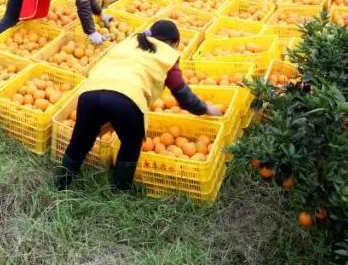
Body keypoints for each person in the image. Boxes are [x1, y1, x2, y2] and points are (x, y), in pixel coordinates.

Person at [55, 20, 223, 191]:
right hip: (127, 99)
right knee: (130, 145)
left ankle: (60, 185)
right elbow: (182, 94)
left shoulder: (129, 43)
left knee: (80, 140)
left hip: (90, 93)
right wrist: (206, 108)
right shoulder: (167, 57)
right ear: (174, 43)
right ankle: (119, 193)